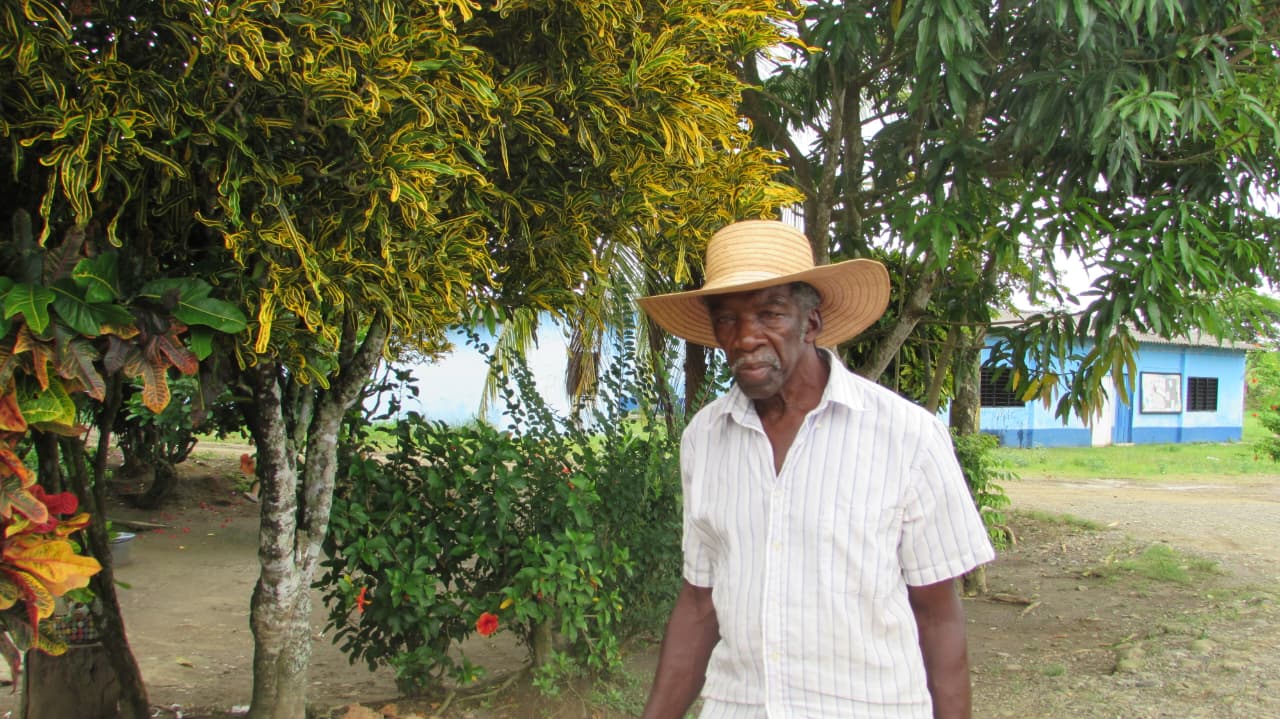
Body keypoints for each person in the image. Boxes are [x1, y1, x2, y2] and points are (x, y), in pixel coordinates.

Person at [635, 220, 996, 719]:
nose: (744, 338)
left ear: (810, 323)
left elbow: (938, 617)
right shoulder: (704, 437)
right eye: (727, 320)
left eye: (769, 313)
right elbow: (700, 605)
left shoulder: (907, 437)